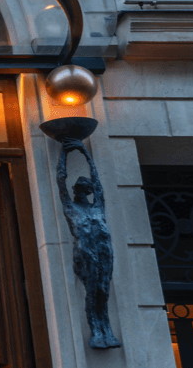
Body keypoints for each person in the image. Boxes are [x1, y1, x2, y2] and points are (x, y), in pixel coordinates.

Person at [57, 138, 122, 349]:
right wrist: (64, 154)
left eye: (86, 189)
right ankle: (95, 331)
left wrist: (86, 152)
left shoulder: (97, 207)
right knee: (92, 291)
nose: (83, 191)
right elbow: (60, 180)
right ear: (76, 190)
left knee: (103, 289)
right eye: (80, 188)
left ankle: (108, 331)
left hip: (104, 251)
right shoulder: (71, 208)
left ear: (90, 191)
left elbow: (98, 181)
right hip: (85, 253)